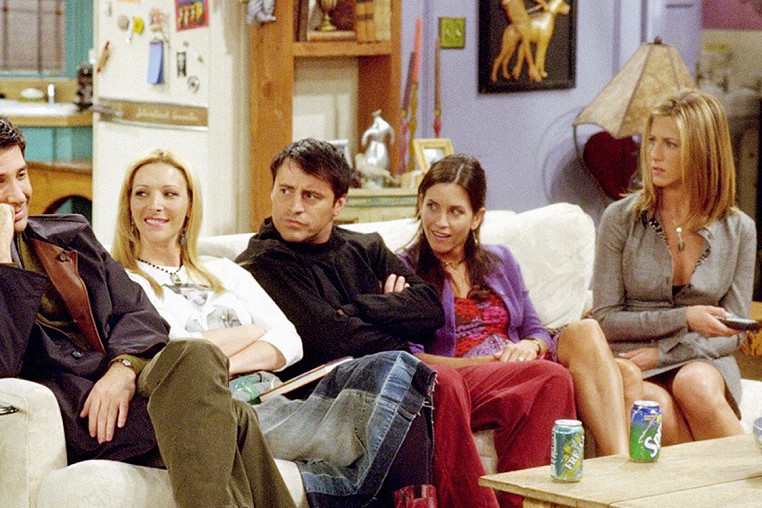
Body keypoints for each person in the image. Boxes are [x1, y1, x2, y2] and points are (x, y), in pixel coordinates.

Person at [235, 138, 576, 508]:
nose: (294, 206)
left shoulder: (366, 246)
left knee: (549, 378)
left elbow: (429, 310)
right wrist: (394, 313)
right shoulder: (263, 262)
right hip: (333, 391)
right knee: (435, 381)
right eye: (285, 191)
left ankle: (524, 503)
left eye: (311, 196)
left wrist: (354, 309)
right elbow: (331, 338)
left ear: (339, 204)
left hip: (397, 372)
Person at [112, 148, 436, 508]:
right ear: (128, 205)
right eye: (142, 193)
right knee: (392, 413)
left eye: (169, 194)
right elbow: (173, 350)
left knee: (398, 368)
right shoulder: (124, 280)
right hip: (220, 409)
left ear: (189, 206)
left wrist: (215, 365)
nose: (155, 205)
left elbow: (288, 340)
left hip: (276, 396)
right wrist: (250, 334)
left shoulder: (225, 270)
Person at [0, 116, 295, 507]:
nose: (19, 194)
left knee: (195, 354)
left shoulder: (68, 235)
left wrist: (122, 370)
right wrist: (4, 262)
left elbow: (139, 312)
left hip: (126, 383)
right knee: (232, 419)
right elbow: (4, 363)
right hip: (80, 411)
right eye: (1, 182)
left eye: (22, 175)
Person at [400, 153, 636, 459]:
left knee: (599, 344)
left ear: (476, 218)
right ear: (420, 203)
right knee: (555, 377)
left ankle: (616, 466)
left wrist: (531, 345)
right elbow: (411, 358)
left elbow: (535, 328)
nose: (440, 222)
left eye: (455, 212)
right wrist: (492, 363)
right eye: (432, 206)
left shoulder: (501, 260)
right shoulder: (404, 268)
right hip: (467, 376)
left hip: (519, 365)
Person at [593, 89, 756, 445]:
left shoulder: (740, 229)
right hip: (633, 358)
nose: (654, 154)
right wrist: (685, 317)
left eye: (671, 144)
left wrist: (666, 354)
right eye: (652, 140)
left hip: (702, 357)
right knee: (655, 408)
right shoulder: (619, 219)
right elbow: (604, 319)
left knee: (694, 385)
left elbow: (735, 331)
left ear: (703, 152)